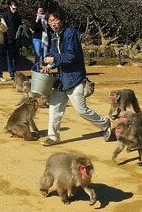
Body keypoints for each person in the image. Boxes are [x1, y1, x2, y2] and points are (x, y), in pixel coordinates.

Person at [41, 8, 111, 146]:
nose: (53, 23)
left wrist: (53, 60)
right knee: (54, 107)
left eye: (56, 20)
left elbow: (71, 56)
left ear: (61, 20)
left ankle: (105, 124)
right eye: (50, 21)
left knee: (81, 110)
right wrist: (48, 64)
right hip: (61, 79)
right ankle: (53, 136)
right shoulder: (55, 36)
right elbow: (54, 54)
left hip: (74, 78)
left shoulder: (70, 34)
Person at [4, 1, 22, 80]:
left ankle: (15, 71)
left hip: (17, 39)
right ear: (10, 7)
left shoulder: (18, 16)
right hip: (9, 38)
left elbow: (20, 28)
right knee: (10, 56)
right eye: (13, 8)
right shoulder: (6, 15)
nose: (15, 10)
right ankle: (11, 72)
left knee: (16, 56)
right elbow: (3, 28)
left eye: (16, 8)